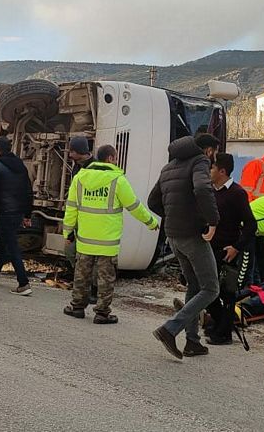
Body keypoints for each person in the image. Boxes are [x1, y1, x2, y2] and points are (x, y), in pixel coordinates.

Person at [63, 145, 159, 323]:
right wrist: (151, 222)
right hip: (107, 242)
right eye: (115, 157)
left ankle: (77, 307)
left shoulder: (80, 178)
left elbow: (71, 208)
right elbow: (134, 206)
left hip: (85, 240)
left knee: (81, 273)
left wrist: (68, 232)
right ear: (110, 159)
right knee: (106, 277)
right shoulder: (117, 180)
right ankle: (102, 313)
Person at [149, 136, 220, 359]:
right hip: (191, 235)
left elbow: (152, 202)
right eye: (214, 152)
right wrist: (212, 221)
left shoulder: (168, 167)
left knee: (194, 285)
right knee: (211, 288)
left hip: (173, 236)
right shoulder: (199, 161)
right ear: (209, 150)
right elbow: (201, 188)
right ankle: (170, 329)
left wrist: (172, 217)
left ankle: (192, 342)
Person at [204, 153, 257, 345]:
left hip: (228, 251)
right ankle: (218, 322)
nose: (209, 171)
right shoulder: (209, 191)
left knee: (227, 293)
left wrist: (236, 247)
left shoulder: (237, 193)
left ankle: (223, 333)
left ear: (222, 171)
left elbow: (251, 225)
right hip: (209, 249)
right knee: (208, 290)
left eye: (212, 168)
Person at [0, 136, 34, 296]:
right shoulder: (20, 166)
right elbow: (28, 191)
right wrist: (27, 214)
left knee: (12, 246)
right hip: (17, 212)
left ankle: (23, 283)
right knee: (5, 241)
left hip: (3, 211)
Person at [64, 135, 98, 301]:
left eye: (72, 151)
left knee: (88, 257)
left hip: (91, 220)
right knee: (72, 252)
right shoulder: (78, 166)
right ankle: (82, 285)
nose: (69, 154)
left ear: (79, 151)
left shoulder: (94, 168)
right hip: (79, 218)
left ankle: (90, 289)